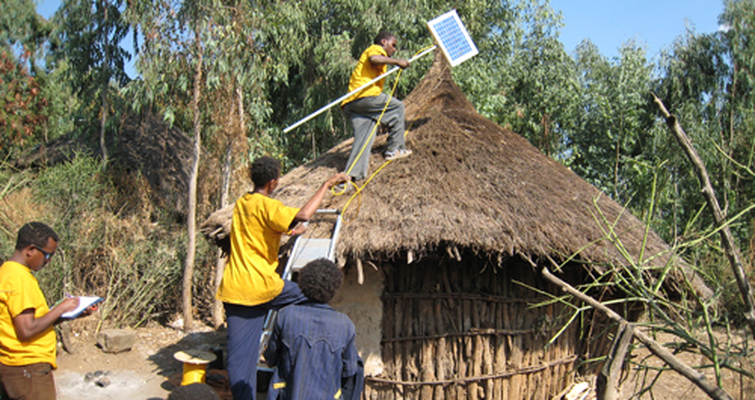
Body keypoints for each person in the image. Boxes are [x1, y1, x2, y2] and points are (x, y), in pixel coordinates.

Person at [216, 156, 348, 400]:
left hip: (236, 290)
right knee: (312, 295)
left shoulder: (243, 203)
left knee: (239, 360)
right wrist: (326, 185)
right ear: (273, 182)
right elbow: (304, 215)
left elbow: (259, 229)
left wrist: (288, 231)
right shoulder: (269, 206)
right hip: (264, 286)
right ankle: (305, 347)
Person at [0, 222, 91, 400]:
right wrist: (60, 308)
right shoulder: (20, 279)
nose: (48, 261)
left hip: (15, 366)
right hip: (28, 367)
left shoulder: (7, 272)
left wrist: (67, 314)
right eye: (47, 255)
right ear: (31, 250)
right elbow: (26, 330)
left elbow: (29, 323)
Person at [264, 258, 362, 400]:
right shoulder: (345, 324)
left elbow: (271, 358)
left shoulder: (286, 316)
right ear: (334, 288)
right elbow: (349, 370)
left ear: (303, 284)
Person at [340, 31, 413, 184]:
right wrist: (397, 61)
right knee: (397, 107)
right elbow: (374, 59)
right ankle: (395, 149)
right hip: (365, 95)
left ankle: (352, 175)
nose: (394, 49)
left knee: (366, 135)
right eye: (393, 45)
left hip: (351, 104)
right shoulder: (375, 49)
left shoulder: (380, 57)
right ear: (383, 42)